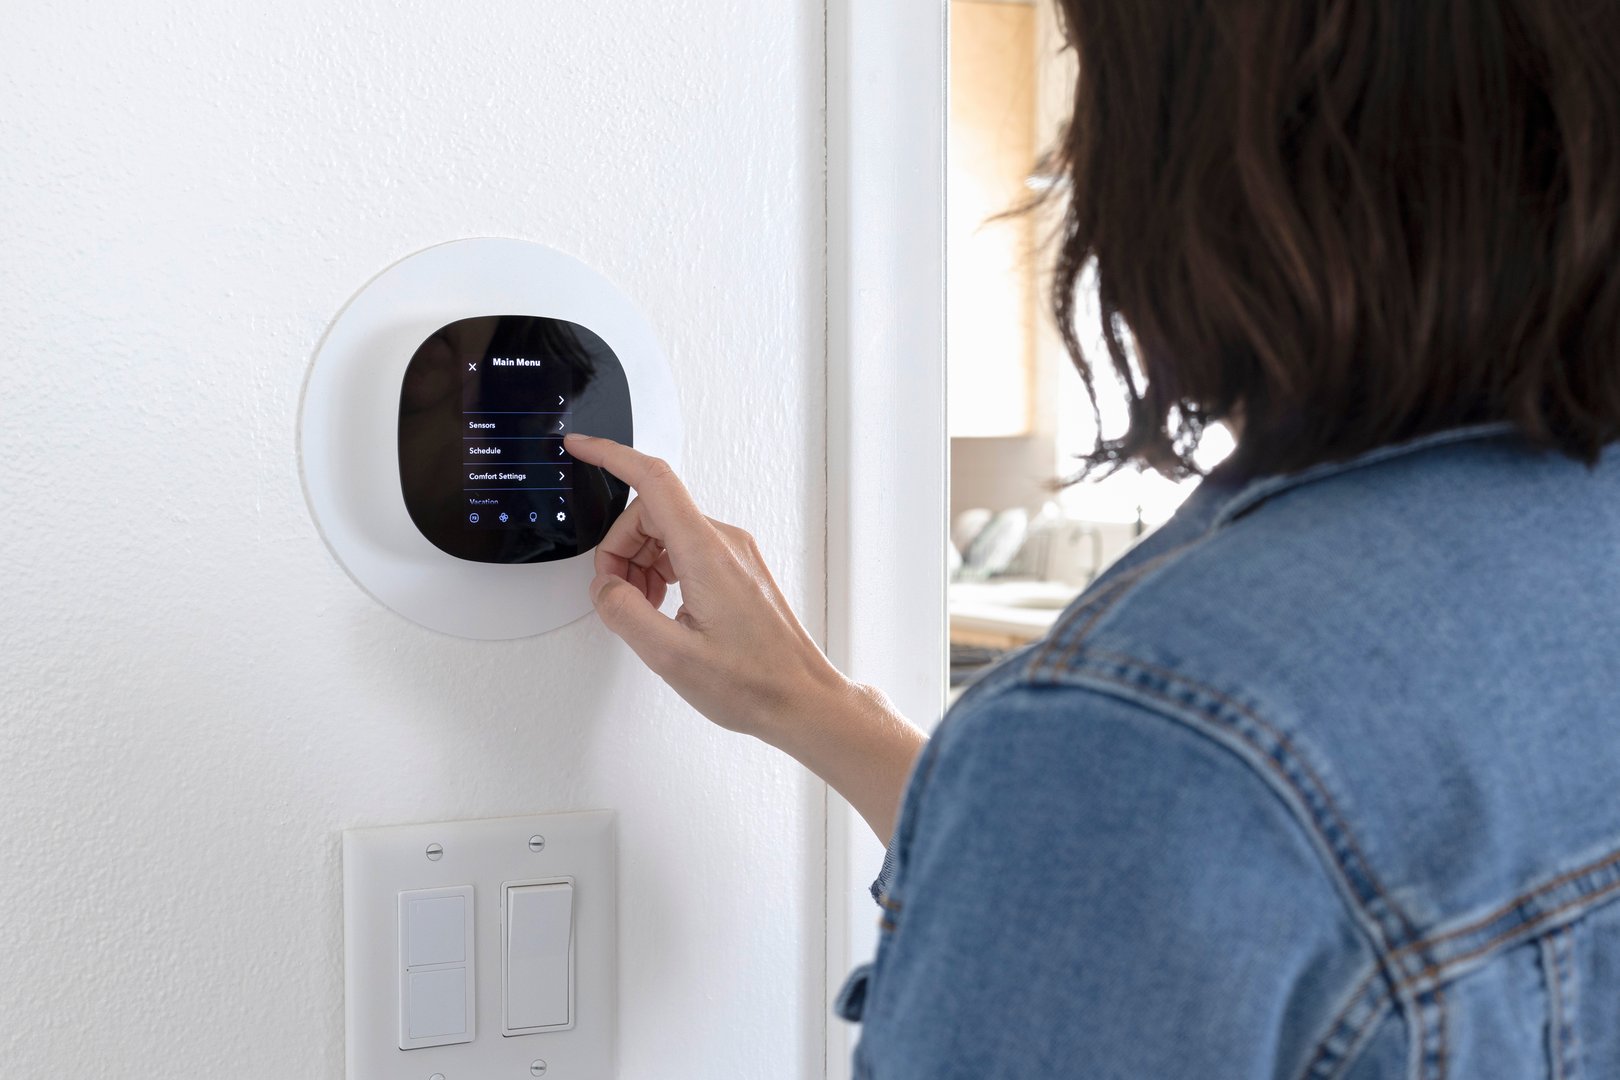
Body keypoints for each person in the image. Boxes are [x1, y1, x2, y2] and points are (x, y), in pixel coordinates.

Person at [567, 0, 1620, 1074]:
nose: (1070, 152)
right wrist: (813, 705)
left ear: (1208, 160)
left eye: (1092, 81)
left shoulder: (1155, 730)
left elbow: (1170, 823)